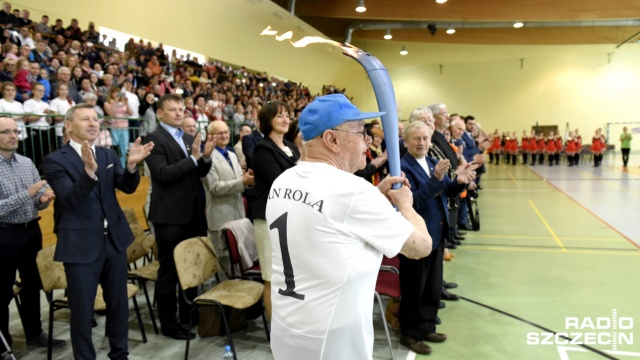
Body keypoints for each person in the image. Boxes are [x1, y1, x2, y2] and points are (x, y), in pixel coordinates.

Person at [266, 94, 431, 359]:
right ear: (332, 139)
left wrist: (375, 196)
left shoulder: (283, 181)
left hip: (288, 331)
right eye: (360, 132)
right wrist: (406, 206)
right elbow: (420, 247)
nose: (366, 141)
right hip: (333, 340)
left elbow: (328, 221)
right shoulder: (352, 191)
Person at [42, 104, 153, 359]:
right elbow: (70, 199)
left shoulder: (106, 154)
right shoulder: (54, 160)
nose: (93, 123)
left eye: (95, 119)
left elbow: (125, 186)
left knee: (118, 305)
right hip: (80, 245)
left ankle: (119, 354)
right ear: (69, 125)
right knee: (82, 312)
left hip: (113, 242)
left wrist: (132, 166)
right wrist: (89, 173)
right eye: (85, 119)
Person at [400, 121, 476, 355]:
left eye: (425, 138)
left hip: (436, 234)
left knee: (432, 287)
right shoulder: (403, 167)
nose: (421, 142)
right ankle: (410, 333)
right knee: (414, 288)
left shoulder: (433, 162)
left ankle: (427, 325)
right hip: (416, 238)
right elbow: (411, 201)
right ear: (406, 141)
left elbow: (444, 191)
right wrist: (436, 179)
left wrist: (457, 182)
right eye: (416, 138)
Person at [142, 94, 214, 340]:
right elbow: (162, 174)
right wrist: (193, 159)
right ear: (160, 113)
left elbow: (199, 172)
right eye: (172, 110)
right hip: (170, 217)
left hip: (192, 214)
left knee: (191, 266)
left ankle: (189, 313)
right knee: (170, 272)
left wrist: (205, 157)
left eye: (181, 109)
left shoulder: (187, 137)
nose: (178, 113)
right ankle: (169, 324)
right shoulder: (154, 139)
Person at [0, 117, 65, 358]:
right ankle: (3, 347)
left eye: (15, 131)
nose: (12, 136)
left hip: (30, 231)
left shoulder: (27, 162)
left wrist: (42, 200)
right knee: (3, 292)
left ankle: (34, 333)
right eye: (6, 132)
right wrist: (28, 194)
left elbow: (36, 201)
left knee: (32, 285)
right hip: (4, 235)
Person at [252, 100, 300, 321]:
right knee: (271, 275)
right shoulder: (263, 149)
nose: (285, 119)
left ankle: (290, 319)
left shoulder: (292, 147)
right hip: (268, 218)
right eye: (279, 115)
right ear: (267, 121)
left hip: (291, 216)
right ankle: (274, 327)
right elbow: (280, 181)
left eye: (287, 115)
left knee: (291, 272)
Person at [202, 121, 254, 270]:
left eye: (226, 132)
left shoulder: (231, 154)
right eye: (220, 133)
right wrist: (242, 181)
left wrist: (248, 179)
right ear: (211, 136)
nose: (225, 135)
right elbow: (214, 188)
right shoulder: (207, 157)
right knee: (224, 262)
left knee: (240, 258)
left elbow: (239, 180)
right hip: (221, 216)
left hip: (238, 213)